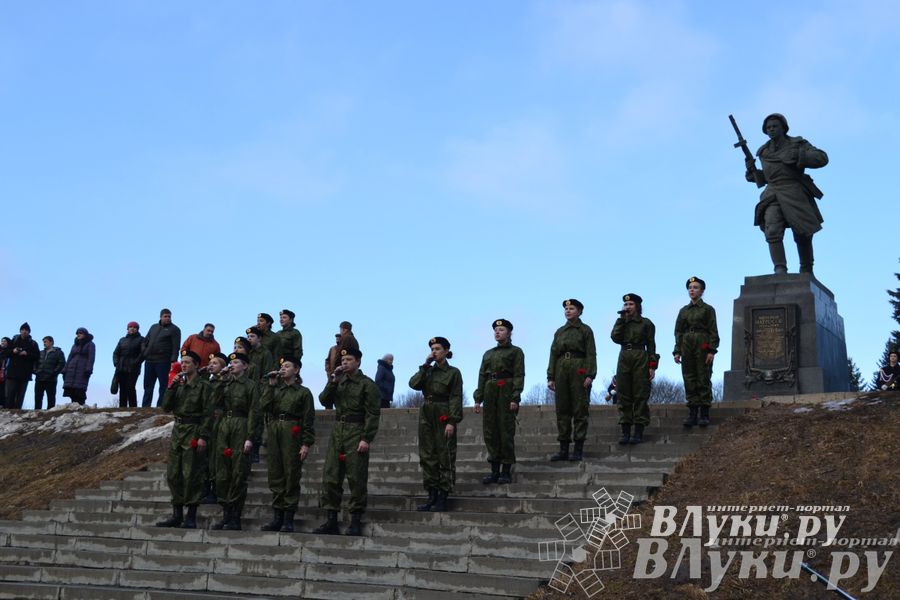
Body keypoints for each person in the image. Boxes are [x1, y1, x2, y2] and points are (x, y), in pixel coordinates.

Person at [745, 113, 829, 274]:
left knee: (802, 234)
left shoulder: (797, 144)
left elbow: (822, 158)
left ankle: (806, 268)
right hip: (773, 193)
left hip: (795, 192)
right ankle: (780, 268)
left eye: (775, 126)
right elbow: (768, 176)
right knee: (772, 229)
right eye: (768, 127)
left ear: (783, 127)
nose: (771, 130)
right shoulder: (763, 151)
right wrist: (752, 173)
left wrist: (799, 155)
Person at [313, 348, 380, 536]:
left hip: (356, 430)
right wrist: (333, 380)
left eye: (349, 359)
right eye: (343, 359)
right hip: (338, 431)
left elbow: (373, 414)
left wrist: (366, 438)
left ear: (358, 362)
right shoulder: (339, 382)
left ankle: (356, 521)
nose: (345, 362)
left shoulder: (367, 384)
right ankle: (331, 520)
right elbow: (324, 399)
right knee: (331, 476)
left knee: (356, 477)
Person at [156, 350, 212, 529]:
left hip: (194, 430)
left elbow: (208, 413)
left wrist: (203, 436)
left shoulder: (204, 386)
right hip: (178, 430)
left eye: (188, 362)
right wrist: (171, 387)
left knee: (191, 473)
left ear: (196, 365)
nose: (184, 365)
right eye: (183, 362)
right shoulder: (178, 385)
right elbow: (166, 407)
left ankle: (191, 516)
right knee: (174, 473)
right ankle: (177, 514)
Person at [259, 356, 315, 533]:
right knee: (275, 473)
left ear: (296, 370)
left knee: (291, 473)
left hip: (292, 431)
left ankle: (288, 518)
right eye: (281, 366)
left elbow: (308, 419)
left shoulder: (303, 392)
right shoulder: (275, 389)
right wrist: (270, 385)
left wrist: (306, 443)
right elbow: (263, 406)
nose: (282, 368)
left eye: (287, 366)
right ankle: (278, 516)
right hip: (275, 430)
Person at [409, 337, 463, 512]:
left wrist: (451, 421)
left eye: (438, 348)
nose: (434, 351)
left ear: (446, 351)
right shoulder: (428, 371)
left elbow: (455, 397)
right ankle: (431, 495)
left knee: (445, 454)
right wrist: (425, 365)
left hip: (443, 411)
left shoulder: (453, 372)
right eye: (432, 348)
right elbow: (413, 384)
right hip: (426, 413)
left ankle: (443, 496)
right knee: (427, 455)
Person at [210, 352, 263, 531]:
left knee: (238, 474)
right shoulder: (225, 383)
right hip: (225, 426)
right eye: (231, 362)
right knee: (222, 474)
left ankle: (235, 517)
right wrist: (220, 379)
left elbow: (254, 412)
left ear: (245, 366)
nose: (232, 365)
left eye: (236, 362)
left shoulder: (250, 385)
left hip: (241, 425)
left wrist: (250, 437)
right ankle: (225, 514)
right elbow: (214, 402)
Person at [474, 320, 524, 485]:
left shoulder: (516, 352)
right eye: (496, 330)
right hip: (490, 390)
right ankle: (494, 471)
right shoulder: (488, 354)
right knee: (490, 431)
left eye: (501, 330)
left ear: (509, 333)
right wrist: (478, 398)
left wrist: (515, 397)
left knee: (505, 431)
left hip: (506, 390)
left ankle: (505, 471)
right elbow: (482, 376)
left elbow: (519, 374)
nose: (497, 332)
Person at [547, 300, 597, 462]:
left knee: (580, 409)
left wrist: (590, 374)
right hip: (561, 369)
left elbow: (591, 353)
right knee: (562, 410)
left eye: (571, 308)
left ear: (579, 311)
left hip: (579, 368)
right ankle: (563, 449)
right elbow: (553, 353)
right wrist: (551, 376)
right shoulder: (559, 331)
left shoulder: (585, 330)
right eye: (566, 309)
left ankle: (578, 449)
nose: (568, 311)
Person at [611, 294, 659, 445]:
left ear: (637, 306)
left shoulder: (646, 323)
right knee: (623, 394)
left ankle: (638, 431)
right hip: (624, 356)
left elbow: (651, 345)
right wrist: (621, 321)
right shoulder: (622, 322)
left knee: (640, 394)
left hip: (640, 356)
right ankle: (625, 431)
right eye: (625, 305)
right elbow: (615, 337)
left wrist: (652, 366)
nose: (628, 307)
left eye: (631, 304)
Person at [673, 277, 720, 427]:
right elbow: (678, 332)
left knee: (703, 377)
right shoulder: (683, 311)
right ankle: (692, 413)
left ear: (702, 291)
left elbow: (713, 331)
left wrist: (711, 350)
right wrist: (677, 351)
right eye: (690, 287)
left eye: (695, 287)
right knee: (689, 378)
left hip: (702, 343)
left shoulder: (708, 309)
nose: (692, 290)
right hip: (687, 344)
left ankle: (704, 414)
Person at [142, 309, 182, 407]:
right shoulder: (153, 327)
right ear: (160, 317)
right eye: (165, 316)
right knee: (148, 385)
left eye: (169, 316)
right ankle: (145, 406)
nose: (167, 318)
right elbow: (145, 340)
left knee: (163, 385)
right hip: (149, 360)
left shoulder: (175, 329)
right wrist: (144, 351)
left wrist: (173, 360)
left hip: (163, 361)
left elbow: (176, 346)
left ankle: (161, 405)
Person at [5, 323, 40, 409]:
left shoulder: (33, 344)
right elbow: (6, 353)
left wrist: (26, 353)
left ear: (29, 332)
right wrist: (13, 351)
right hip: (12, 372)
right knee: (10, 393)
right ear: (20, 331)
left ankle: (17, 411)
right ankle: (8, 410)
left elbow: (37, 356)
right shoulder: (13, 341)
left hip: (25, 373)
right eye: (23, 330)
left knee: (21, 394)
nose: (24, 332)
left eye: (26, 330)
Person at [113, 322, 145, 408]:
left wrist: (135, 362)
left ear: (137, 329)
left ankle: (133, 407)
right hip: (121, 367)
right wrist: (116, 363)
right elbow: (115, 353)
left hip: (133, 368)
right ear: (127, 329)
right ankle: (122, 407)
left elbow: (143, 353)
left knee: (130, 387)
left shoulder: (141, 339)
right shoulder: (122, 340)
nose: (132, 328)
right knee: (122, 388)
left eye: (135, 327)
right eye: (130, 327)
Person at [61, 328, 95, 405]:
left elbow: (91, 358)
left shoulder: (90, 344)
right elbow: (69, 357)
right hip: (71, 369)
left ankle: (81, 406)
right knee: (71, 390)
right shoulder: (75, 345)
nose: (78, 335)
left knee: (80, 390)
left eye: (80, 333)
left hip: (82, 370)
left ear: (85, 334)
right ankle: (73, 406)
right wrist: (65, 369)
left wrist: (89, 369)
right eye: (77, 333)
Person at [33, 336, 66, 410]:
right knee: (38, 397)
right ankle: (37, 412)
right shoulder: (40, 353)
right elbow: (35, 363)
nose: (44, 343)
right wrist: (35, 371)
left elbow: (62, 363)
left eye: (46, 341)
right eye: (43, 342)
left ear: (51, 342)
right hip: (39, 378)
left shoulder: (58, 352)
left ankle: (50, 412)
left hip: (51, 379)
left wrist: (54, 373)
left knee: (51, 397)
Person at [0, 337, 9, 408]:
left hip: (6, 374)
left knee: (4, 390)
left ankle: (3, 405)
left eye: (5, 341)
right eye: (2, 341)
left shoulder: (9, 352)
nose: (3, 342)